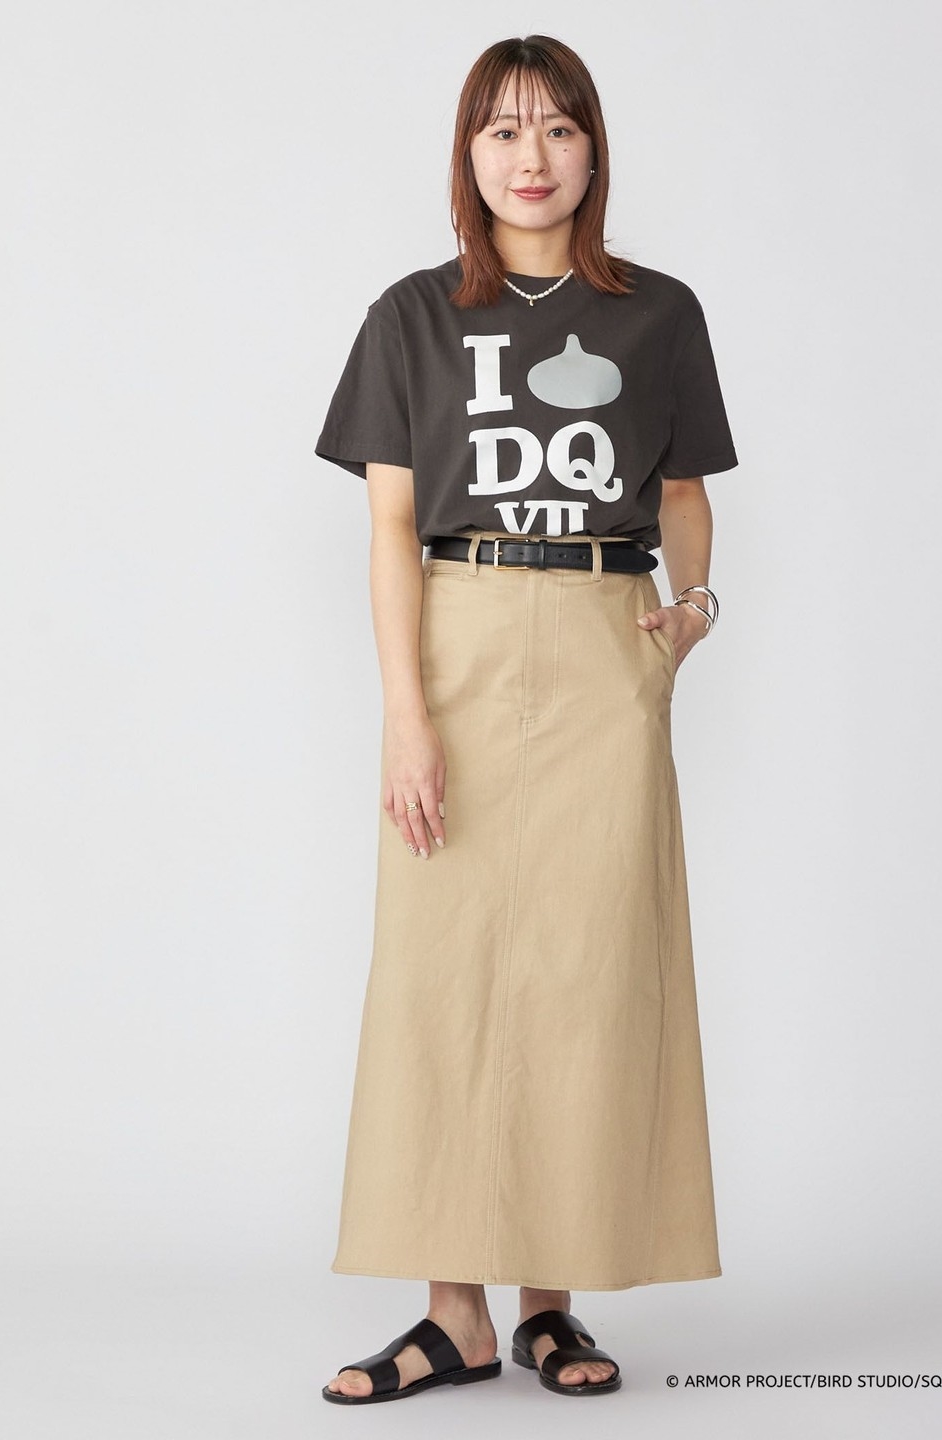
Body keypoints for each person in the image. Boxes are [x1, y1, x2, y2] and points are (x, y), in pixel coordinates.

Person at [314, 34, 739, 1405]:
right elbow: (388, 530)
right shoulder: (413, 315)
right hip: (460, 633)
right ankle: (455, 1313)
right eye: (501, 130)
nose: (531, 156)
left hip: (603, 646)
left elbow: (685, 493)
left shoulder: (658, 314)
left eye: (556, 127)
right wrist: (406, 714)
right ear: (468, 154)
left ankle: (551, 1304)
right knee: (443, 977)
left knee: (583, 974)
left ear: (593, 149)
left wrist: (690, 612)